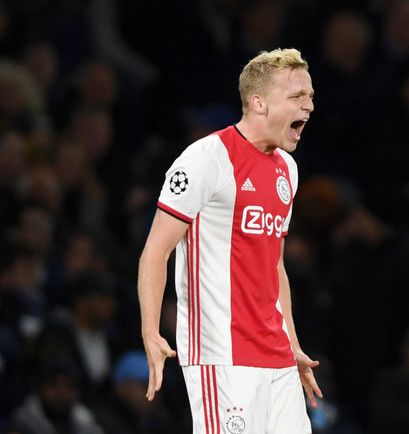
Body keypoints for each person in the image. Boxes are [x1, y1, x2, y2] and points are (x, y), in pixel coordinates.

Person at [137, 48, 319, 434]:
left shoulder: (288, 169)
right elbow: (156, 251)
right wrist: (150, 331)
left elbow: (274, 264)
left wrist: (292, 342)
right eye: (297, 96)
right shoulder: (207, 159)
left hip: (278, 358)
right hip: (221, 354)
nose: (309, 105)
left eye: (310, 96)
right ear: (259, 103)